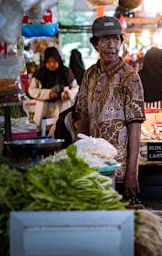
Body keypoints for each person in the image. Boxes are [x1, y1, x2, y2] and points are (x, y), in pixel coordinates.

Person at [75, 16, 145, 197]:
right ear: (95, 44)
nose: (111, 45)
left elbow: (135, 127)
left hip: (118, 169)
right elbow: (84, 118)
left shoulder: (130, 77)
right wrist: (77, 157)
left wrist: (131, 173)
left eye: (116, 39)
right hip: (92, 165)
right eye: (105, 39)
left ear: (121, 42)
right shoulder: (89, 74)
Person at [28, 47, 79, 135]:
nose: (51, 64)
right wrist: (47, 93)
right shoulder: (39, 73)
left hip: (62, 108)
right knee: (44, 134)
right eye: (48, 62)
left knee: (62, 131)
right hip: (44, 110)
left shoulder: (66, 72)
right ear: (45, 62)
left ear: (58, 60)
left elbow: (75, 87)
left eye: (54, 61)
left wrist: (69, 94)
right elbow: (31, 90)